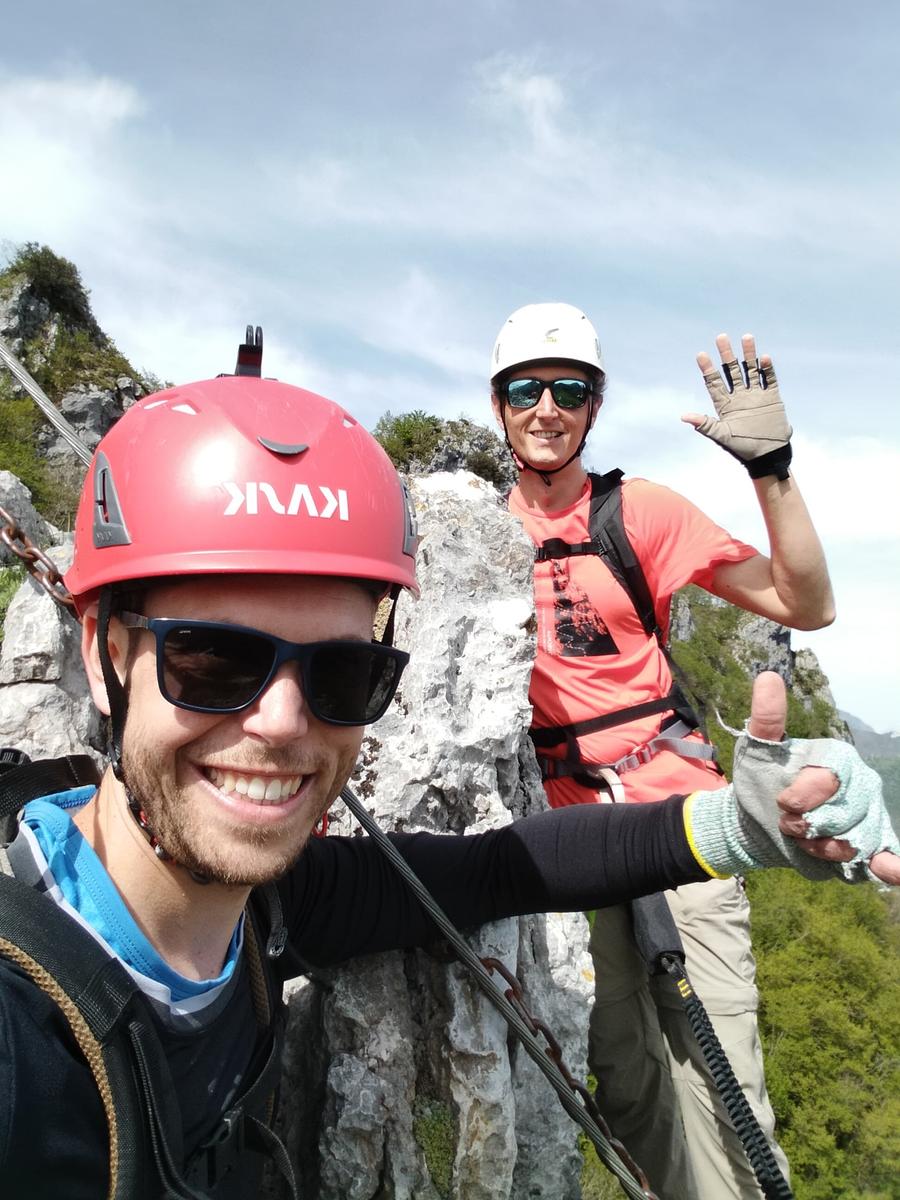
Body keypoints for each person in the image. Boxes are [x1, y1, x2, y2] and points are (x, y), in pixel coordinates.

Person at [1, 367, 897, 1200]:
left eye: (343, 674)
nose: (280, 722)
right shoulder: (19, 1013)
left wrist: (744, 827)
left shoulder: (275, 906)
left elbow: (502, 868)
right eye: (212, 660)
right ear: (105, 653)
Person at [488, 302, 840, 1199]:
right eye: (526, 390)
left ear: (594, 406)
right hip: (566, 841)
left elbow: (805, 605)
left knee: (723, 1076)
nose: (547, 408)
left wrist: (772, 470)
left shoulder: (637, 511)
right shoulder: (478, 537)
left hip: (677, 812)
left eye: (570, 390)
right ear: (499, 404)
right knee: (627, 1084)